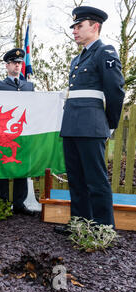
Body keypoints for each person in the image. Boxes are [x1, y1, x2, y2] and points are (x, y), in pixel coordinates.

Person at [54, 6, 125, 235]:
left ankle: (104, 228)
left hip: (91, 126)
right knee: (76, 179)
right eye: (74, 26)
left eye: (79, 26)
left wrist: (110, 123)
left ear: (95, 26)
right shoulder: (78, 59)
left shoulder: (105, 52)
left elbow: (115, 91)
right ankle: (80, 224)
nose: (74, 31)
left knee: (96, 181)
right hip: (72, 125)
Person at [0, 48, 36, 216]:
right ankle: (0, 202)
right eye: (14, 63)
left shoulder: (29, 86)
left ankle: (19, 203)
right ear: (7, 66)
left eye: (20, 63)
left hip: (22, 134)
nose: (17, 65)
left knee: (21, 169)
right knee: (2, 168)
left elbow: (34, 108)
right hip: (3, 134)